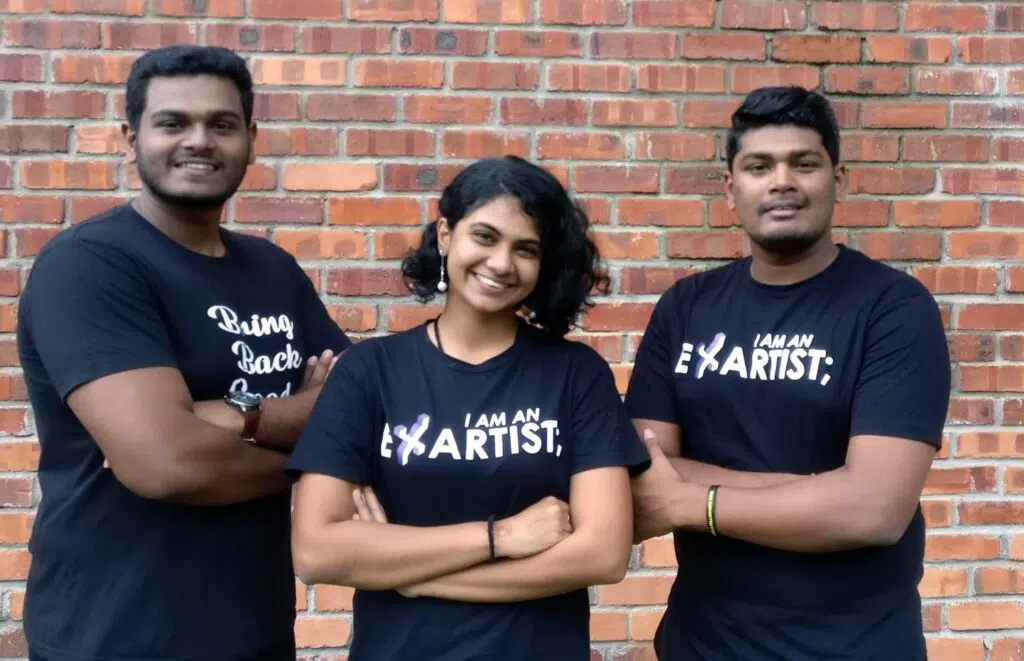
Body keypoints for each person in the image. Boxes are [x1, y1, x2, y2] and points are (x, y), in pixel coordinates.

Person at [16, 45, 350, 661]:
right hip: (116, 635)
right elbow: (165, 464)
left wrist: (226, 418)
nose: (199, 141)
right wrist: (311, 450)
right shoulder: (90, 266)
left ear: (250, 138)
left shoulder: (273, 270)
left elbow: (359, 410)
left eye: (221, 125)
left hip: (254, 629)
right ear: (130, 135)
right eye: (173, 123)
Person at [625, 86, 951, 661]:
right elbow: (644, 474)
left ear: (838, 180)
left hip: (855, 646)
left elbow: (873, 511)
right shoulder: (685, 309)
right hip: (702, 643)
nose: (782, 181)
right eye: (759, 166)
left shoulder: (893, 308)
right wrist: (826, 491)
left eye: (804, 163)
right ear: (731, 188)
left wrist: (690, 502)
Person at [285, 155, 650, 661]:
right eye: (484, 236)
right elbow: (316, 551)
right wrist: (502, 536)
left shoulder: (575, 374)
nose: (502, 263)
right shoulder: (369, 371)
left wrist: (411, 573)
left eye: (526, 249)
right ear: (444, 235)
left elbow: (603, 554)